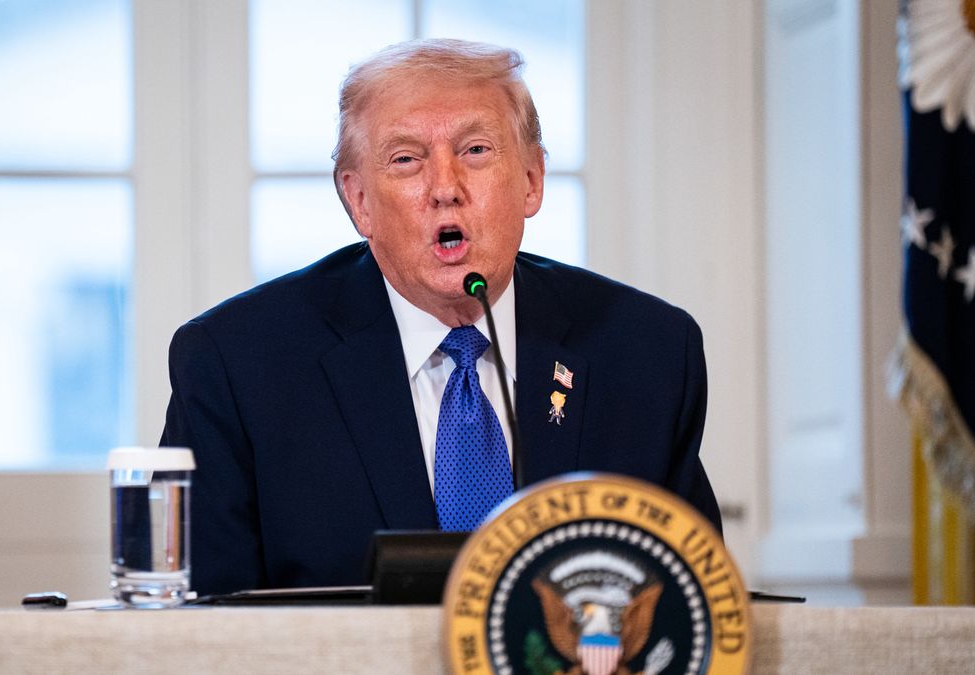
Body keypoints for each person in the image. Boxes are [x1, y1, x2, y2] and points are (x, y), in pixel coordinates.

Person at [160, 39, 721, 596]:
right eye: (407, 159)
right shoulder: (237, 364)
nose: (446, 189)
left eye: (475, 150)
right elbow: (202, 619)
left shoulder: (647, 352)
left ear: (531, 179)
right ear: (359, 200)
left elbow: (693, 603)